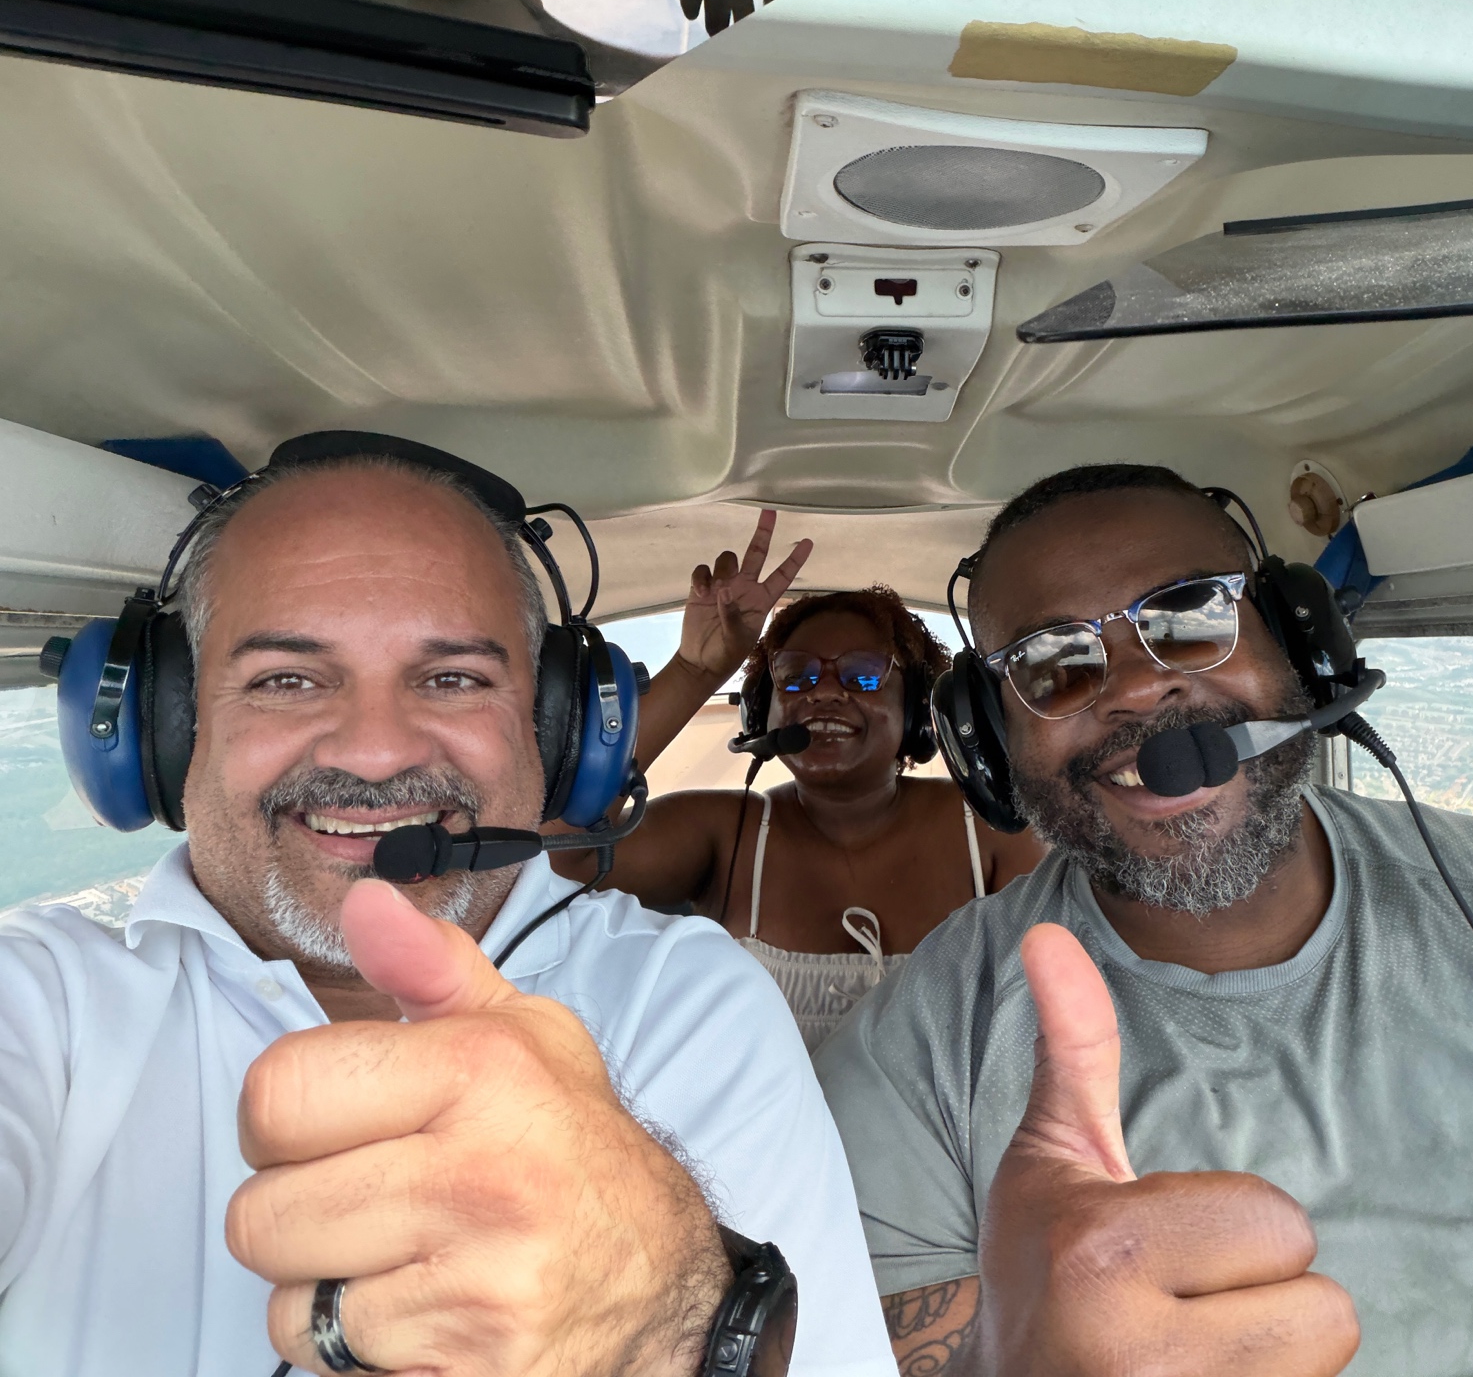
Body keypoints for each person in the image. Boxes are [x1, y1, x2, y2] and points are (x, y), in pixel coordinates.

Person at [814, 464, 1473, 1377]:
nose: (1138, 689)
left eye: (1190, 616)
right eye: (1054, 663)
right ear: (990, 743)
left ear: (1302, 644)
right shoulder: (918, 1057)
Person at [0, 435, 895, 1376]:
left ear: (554, 732)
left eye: (453, 678)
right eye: (286, 679)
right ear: (169, 726)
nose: (375, 750)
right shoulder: (38, 1005)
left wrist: (667, 1327)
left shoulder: (687, 1001)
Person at [564, 587, 1045, 1050]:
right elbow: (564, 860)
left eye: (862, 674)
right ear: (763, 711)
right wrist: (694, 671)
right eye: (796, 675)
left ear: (917, 706)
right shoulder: (727, 832)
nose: (825, 692)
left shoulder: (991, 829)